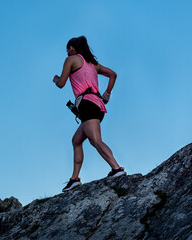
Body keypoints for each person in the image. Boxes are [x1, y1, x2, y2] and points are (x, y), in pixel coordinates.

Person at [53, 36, 126, 192]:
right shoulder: (94, 65)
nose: (67, 53)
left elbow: (61, 84)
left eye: (68, 49)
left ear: (72, 48)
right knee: (76, 140)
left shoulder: (72, 60)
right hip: (97, 105)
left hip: (86, 104)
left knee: (95, 140)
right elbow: (113, 75)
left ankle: (117, 169)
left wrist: (55, 79)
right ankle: (74, 179)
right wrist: (106, 95)